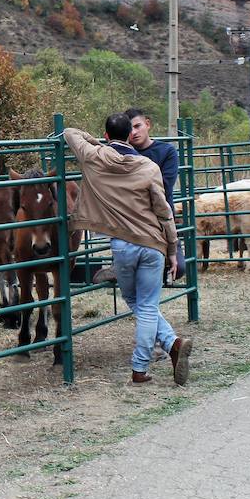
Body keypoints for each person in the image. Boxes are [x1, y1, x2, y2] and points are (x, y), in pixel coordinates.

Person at [64, 114, 193, 386]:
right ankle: (169, 347)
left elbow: (70, 132)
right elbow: (164, 211)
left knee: (137, 303)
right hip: (154, 244)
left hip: (122, 246)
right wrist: (172, 249)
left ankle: (149, 362)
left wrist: (98, 142)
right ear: (129, 135)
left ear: (107, 136)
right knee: (148, 305)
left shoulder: (94, 157)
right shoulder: (148, 166)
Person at [125, 107, 182, 281]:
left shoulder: (167, 152)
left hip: (160, 220)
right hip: (132, 222)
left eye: (137, 126)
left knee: (180, 269)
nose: (134, 132)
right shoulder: (122, 153)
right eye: (129, 129)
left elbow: (165, 186)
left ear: (147, 124)